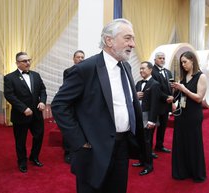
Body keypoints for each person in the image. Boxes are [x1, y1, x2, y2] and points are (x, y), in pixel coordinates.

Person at [51, 18, 143, 193]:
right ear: (109, 40)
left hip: (122, 147)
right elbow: (59, 105)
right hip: (93, 150)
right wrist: (79, 141)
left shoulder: (126, 67)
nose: (133, 44)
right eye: (128, 38)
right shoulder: (85, 69)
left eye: (133, 39)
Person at [4, 52, 47, 173]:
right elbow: (9, 95)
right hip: (20, 115)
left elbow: (43, 90)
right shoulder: (9, 77)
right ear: (17, 63)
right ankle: (22, 162)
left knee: (39, 136)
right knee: (20, 141)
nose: (28, 63)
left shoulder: (36, 75)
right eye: (24, 61)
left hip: (37, 114)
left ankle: (34, 157)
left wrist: (43, 101)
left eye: (29, 60)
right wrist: (23, 108)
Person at [170, 51, 207, 183]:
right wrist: (174, 99)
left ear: (192, 60)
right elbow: (181, 97)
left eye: (185, 62)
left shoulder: (201, 76)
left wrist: (183, 89)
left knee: (193, 143)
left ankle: (196, 172)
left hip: (193, 115)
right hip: (181, 114)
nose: (183, 65)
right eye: (181, 63)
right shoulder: (184, 77)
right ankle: (182, 171)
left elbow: (198, 98)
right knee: (180, 143)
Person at [132, 61, 161, 176]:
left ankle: (149, 166)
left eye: (143, 68)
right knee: (140, 140)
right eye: (140, 69)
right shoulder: (138, 83)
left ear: (150, 70)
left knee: (147, 142)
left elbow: (155, 104)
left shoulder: (155, 84)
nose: (141, 71)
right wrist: (135, 95)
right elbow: (133, 99)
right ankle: (141, 161)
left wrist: (152, 120)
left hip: (148, 117)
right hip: (138, 116)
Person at [62, 50, 85, 164]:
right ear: (73, 59)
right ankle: (67, 153)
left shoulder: (88, 71)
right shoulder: (68, 71)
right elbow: (68, 89)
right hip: (71, 104)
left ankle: (80, 150)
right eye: (78, 57)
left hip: (84, 105)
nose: (80, 59)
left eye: (82, 57)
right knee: (69, 128)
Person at [151, 52, 174, 154]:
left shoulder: (168, 72)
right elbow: (156, 89)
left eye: (163, 58)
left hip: (166, 104)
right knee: (152, 128)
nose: (162, 60)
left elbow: (171, 86)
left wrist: (172, 97)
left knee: (163, 126)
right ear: (155, 60)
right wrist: (166, 97)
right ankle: (149, 149)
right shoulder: (152, 71)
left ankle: (159, 145)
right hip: (156, 104)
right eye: (160, 58)